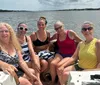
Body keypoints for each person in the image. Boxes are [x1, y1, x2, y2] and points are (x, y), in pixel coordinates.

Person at [50, 21, 82, 85]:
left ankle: (60, 82)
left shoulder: (70, 33)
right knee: (52, 63)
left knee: (59, 65)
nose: (58, 30)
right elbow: (49, 39)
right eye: (56, 29)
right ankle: (53, 81)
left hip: (70, 54)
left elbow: (81, 41)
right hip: (60, 53)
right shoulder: (56, 35)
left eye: (60, 27)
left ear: (63, 26)